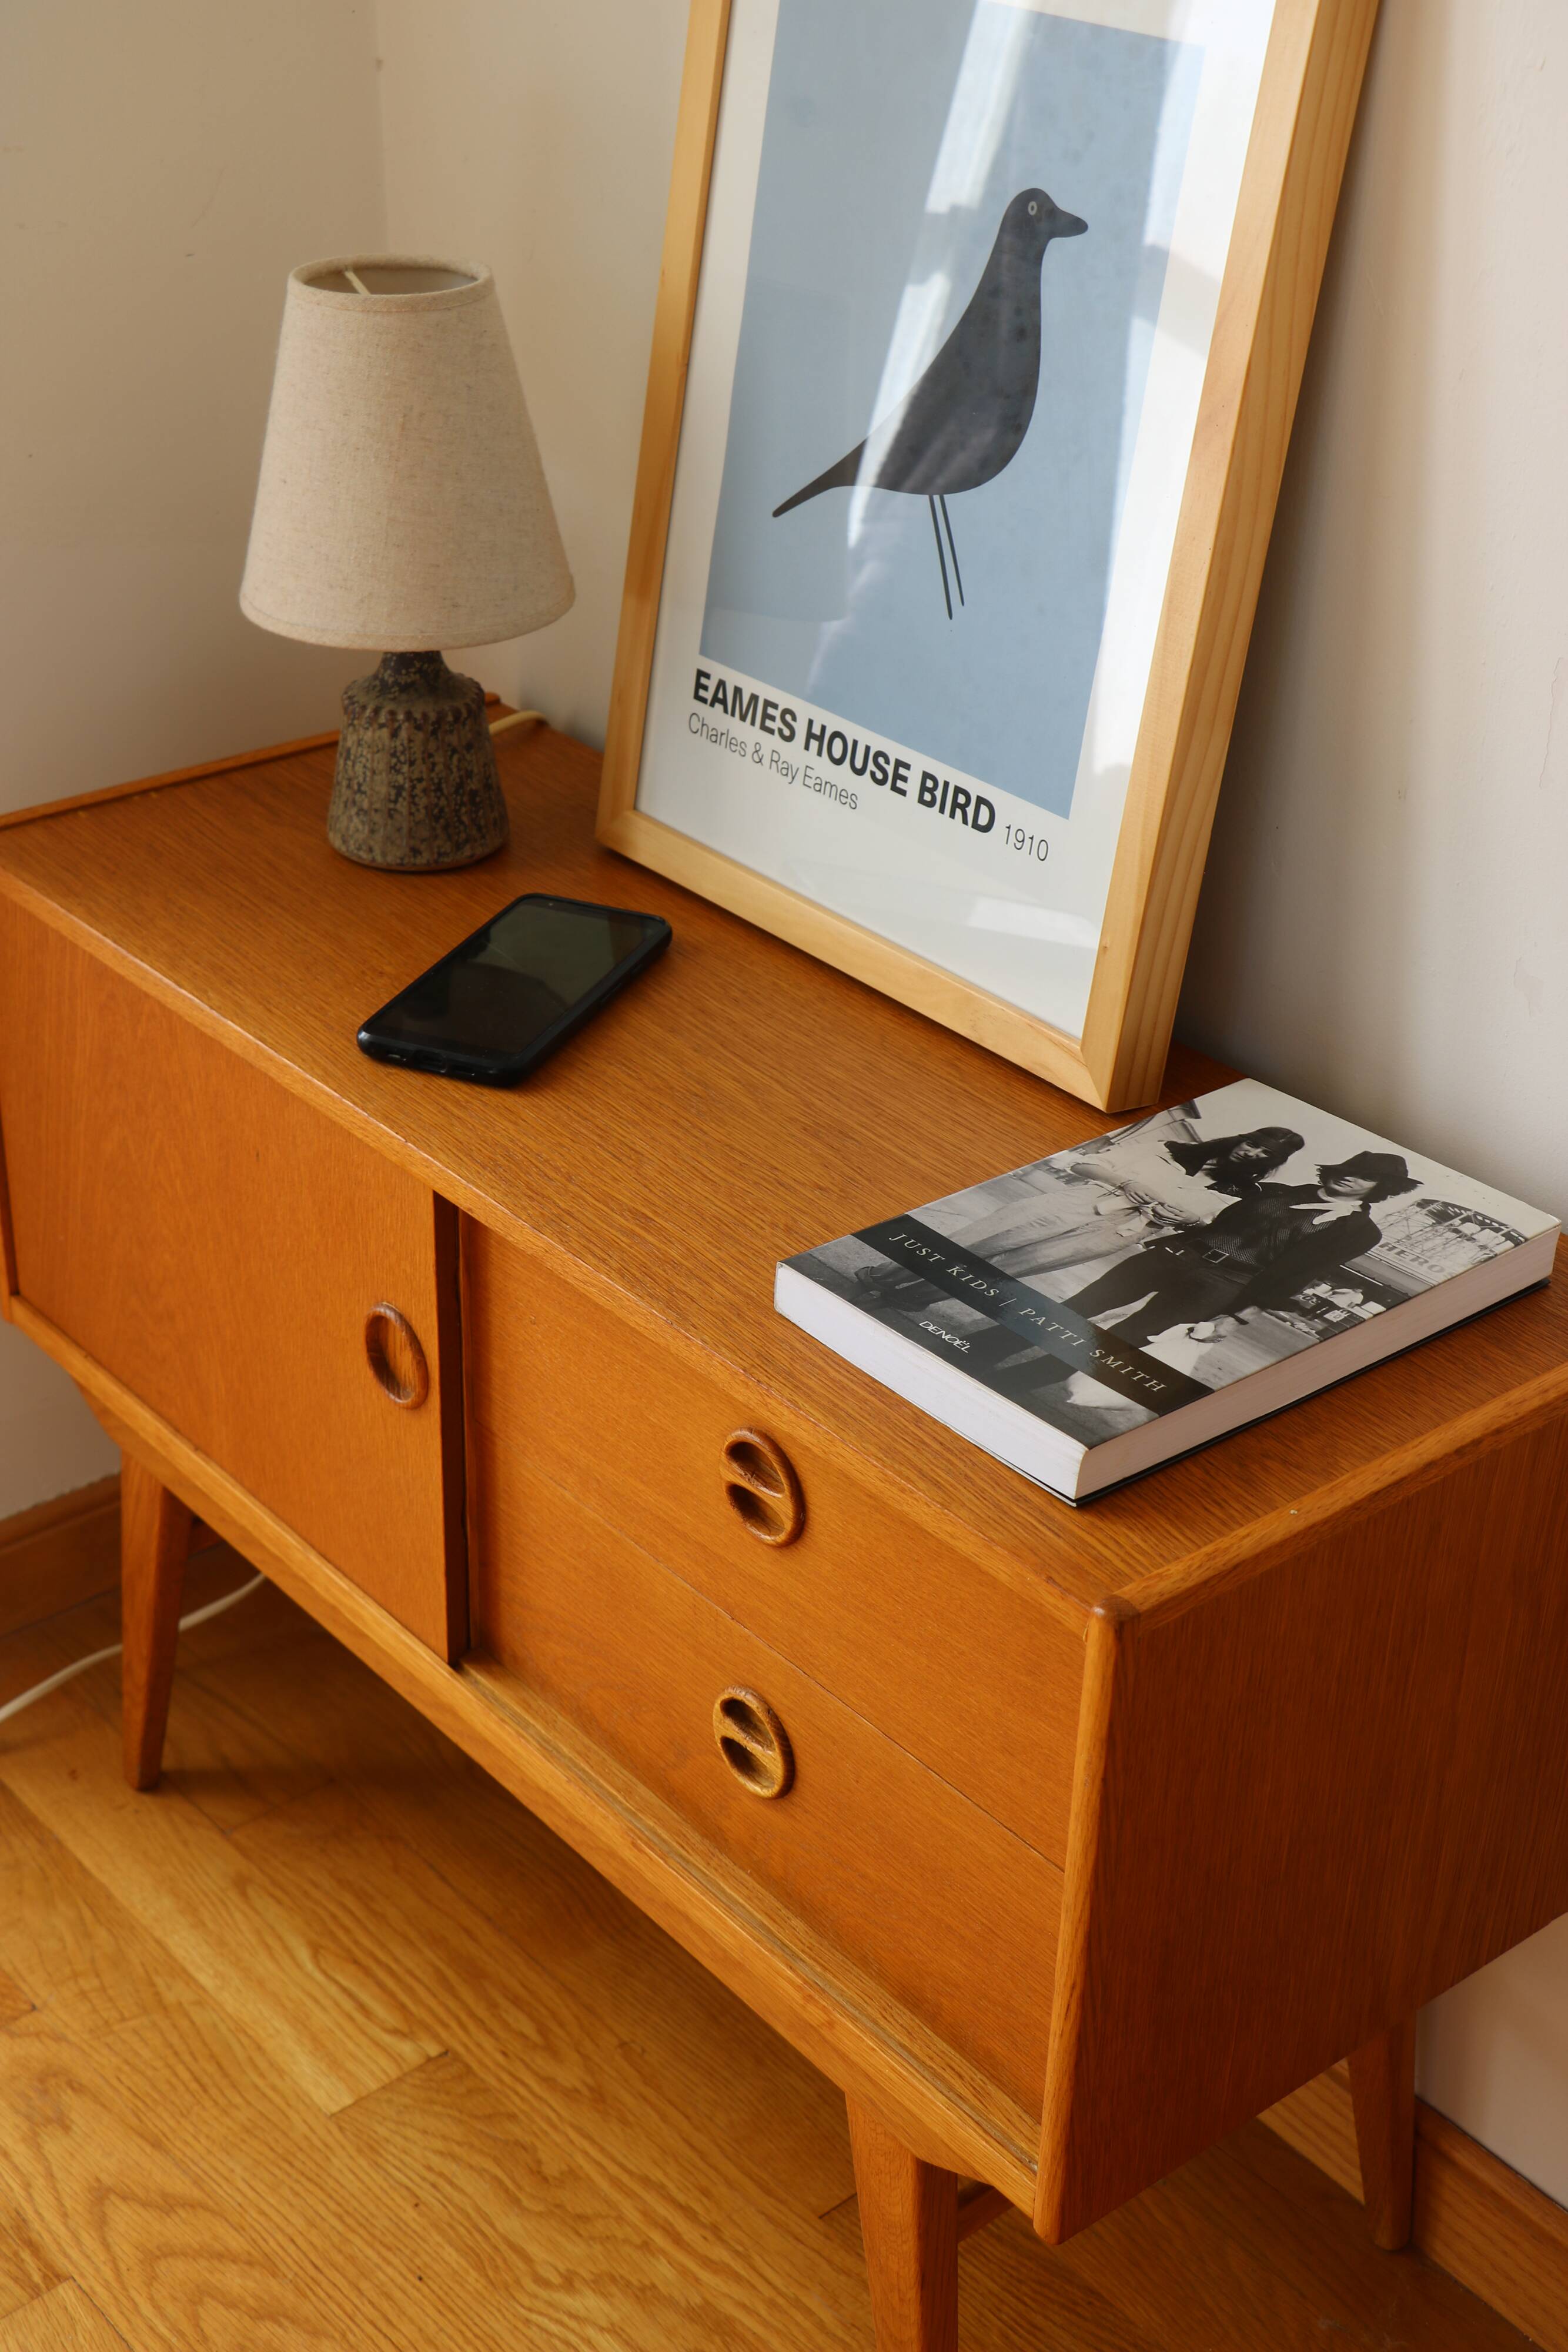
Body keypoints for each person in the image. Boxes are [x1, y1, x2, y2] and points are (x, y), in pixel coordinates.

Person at [1060, 1151, 1419, 1348]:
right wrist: (1189, 1219)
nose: (1350, 1176)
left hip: (1224, 1284)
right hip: (1175, 1256)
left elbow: (1297, 1275)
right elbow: (1213, 1218)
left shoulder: (1359, 1232)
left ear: (1381, 1188)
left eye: (1366, 1176)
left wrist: (1238, 1317)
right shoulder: (1275, 1191)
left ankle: (1038, 1379)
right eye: (1349, 1167)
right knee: (1078, 1308)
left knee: (1125, 1341)